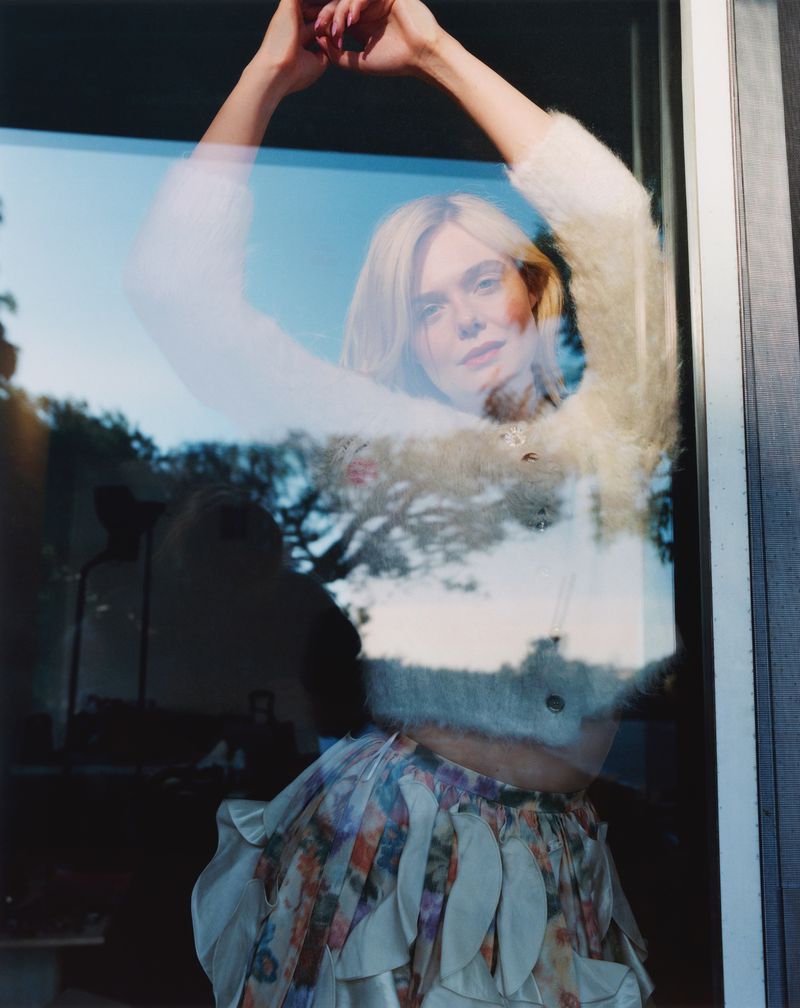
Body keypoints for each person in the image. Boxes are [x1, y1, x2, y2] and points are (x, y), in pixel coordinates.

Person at [126, 0, 678, 1004]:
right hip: (395, 854)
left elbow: (612, 227)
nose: (464, 320)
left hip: (557, 864)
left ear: (529, 290)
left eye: (481, 283)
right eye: (429, 307)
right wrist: (266, 74)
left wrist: (435, 52)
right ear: (408, 337)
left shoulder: (612, 430)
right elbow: (178, 295)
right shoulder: (382, 439)